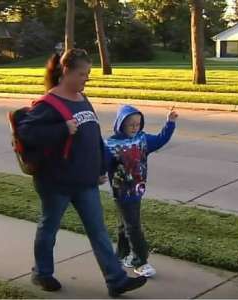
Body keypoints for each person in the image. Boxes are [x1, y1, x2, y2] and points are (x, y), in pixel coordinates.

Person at [17, 49, 147, 297]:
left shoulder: (82, 98)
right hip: (56, 182)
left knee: (98, 230)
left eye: (88, 73)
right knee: (49, 227)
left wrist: (100, 168)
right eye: (82, 73)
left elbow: (94, 137)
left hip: (85, 180)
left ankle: (116, 280)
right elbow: (27, 134)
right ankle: (41, 273)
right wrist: (61, 129)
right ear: (66, 72)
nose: (86, 78)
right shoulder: (48, 104)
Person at [105, 105, 178, 277]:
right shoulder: (111, 144)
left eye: (138, 124)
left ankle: (122, 255)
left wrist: (170, 123)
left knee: (125, 224)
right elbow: (101, 163)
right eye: (130, 124)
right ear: (120, 123)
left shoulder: (142, 140)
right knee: (133, 226)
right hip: (122, 192)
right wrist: (99, 173)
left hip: (137, 189)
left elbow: (161, 139)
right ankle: (140, 261)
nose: (134, 127)